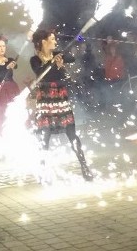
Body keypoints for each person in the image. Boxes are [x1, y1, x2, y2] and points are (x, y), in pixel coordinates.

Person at [29, 28, 93, 181]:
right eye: (52, 38)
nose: (55, 41)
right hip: (45, 98)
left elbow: (71, 58)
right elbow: (41, 72)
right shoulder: (35, 59)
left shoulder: (58, 54)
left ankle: (84, 166)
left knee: (72, 133)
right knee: (45, 135)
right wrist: (52, 62)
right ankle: (43, 170)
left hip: (60, 97)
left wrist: (61, 58)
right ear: (44, 42)